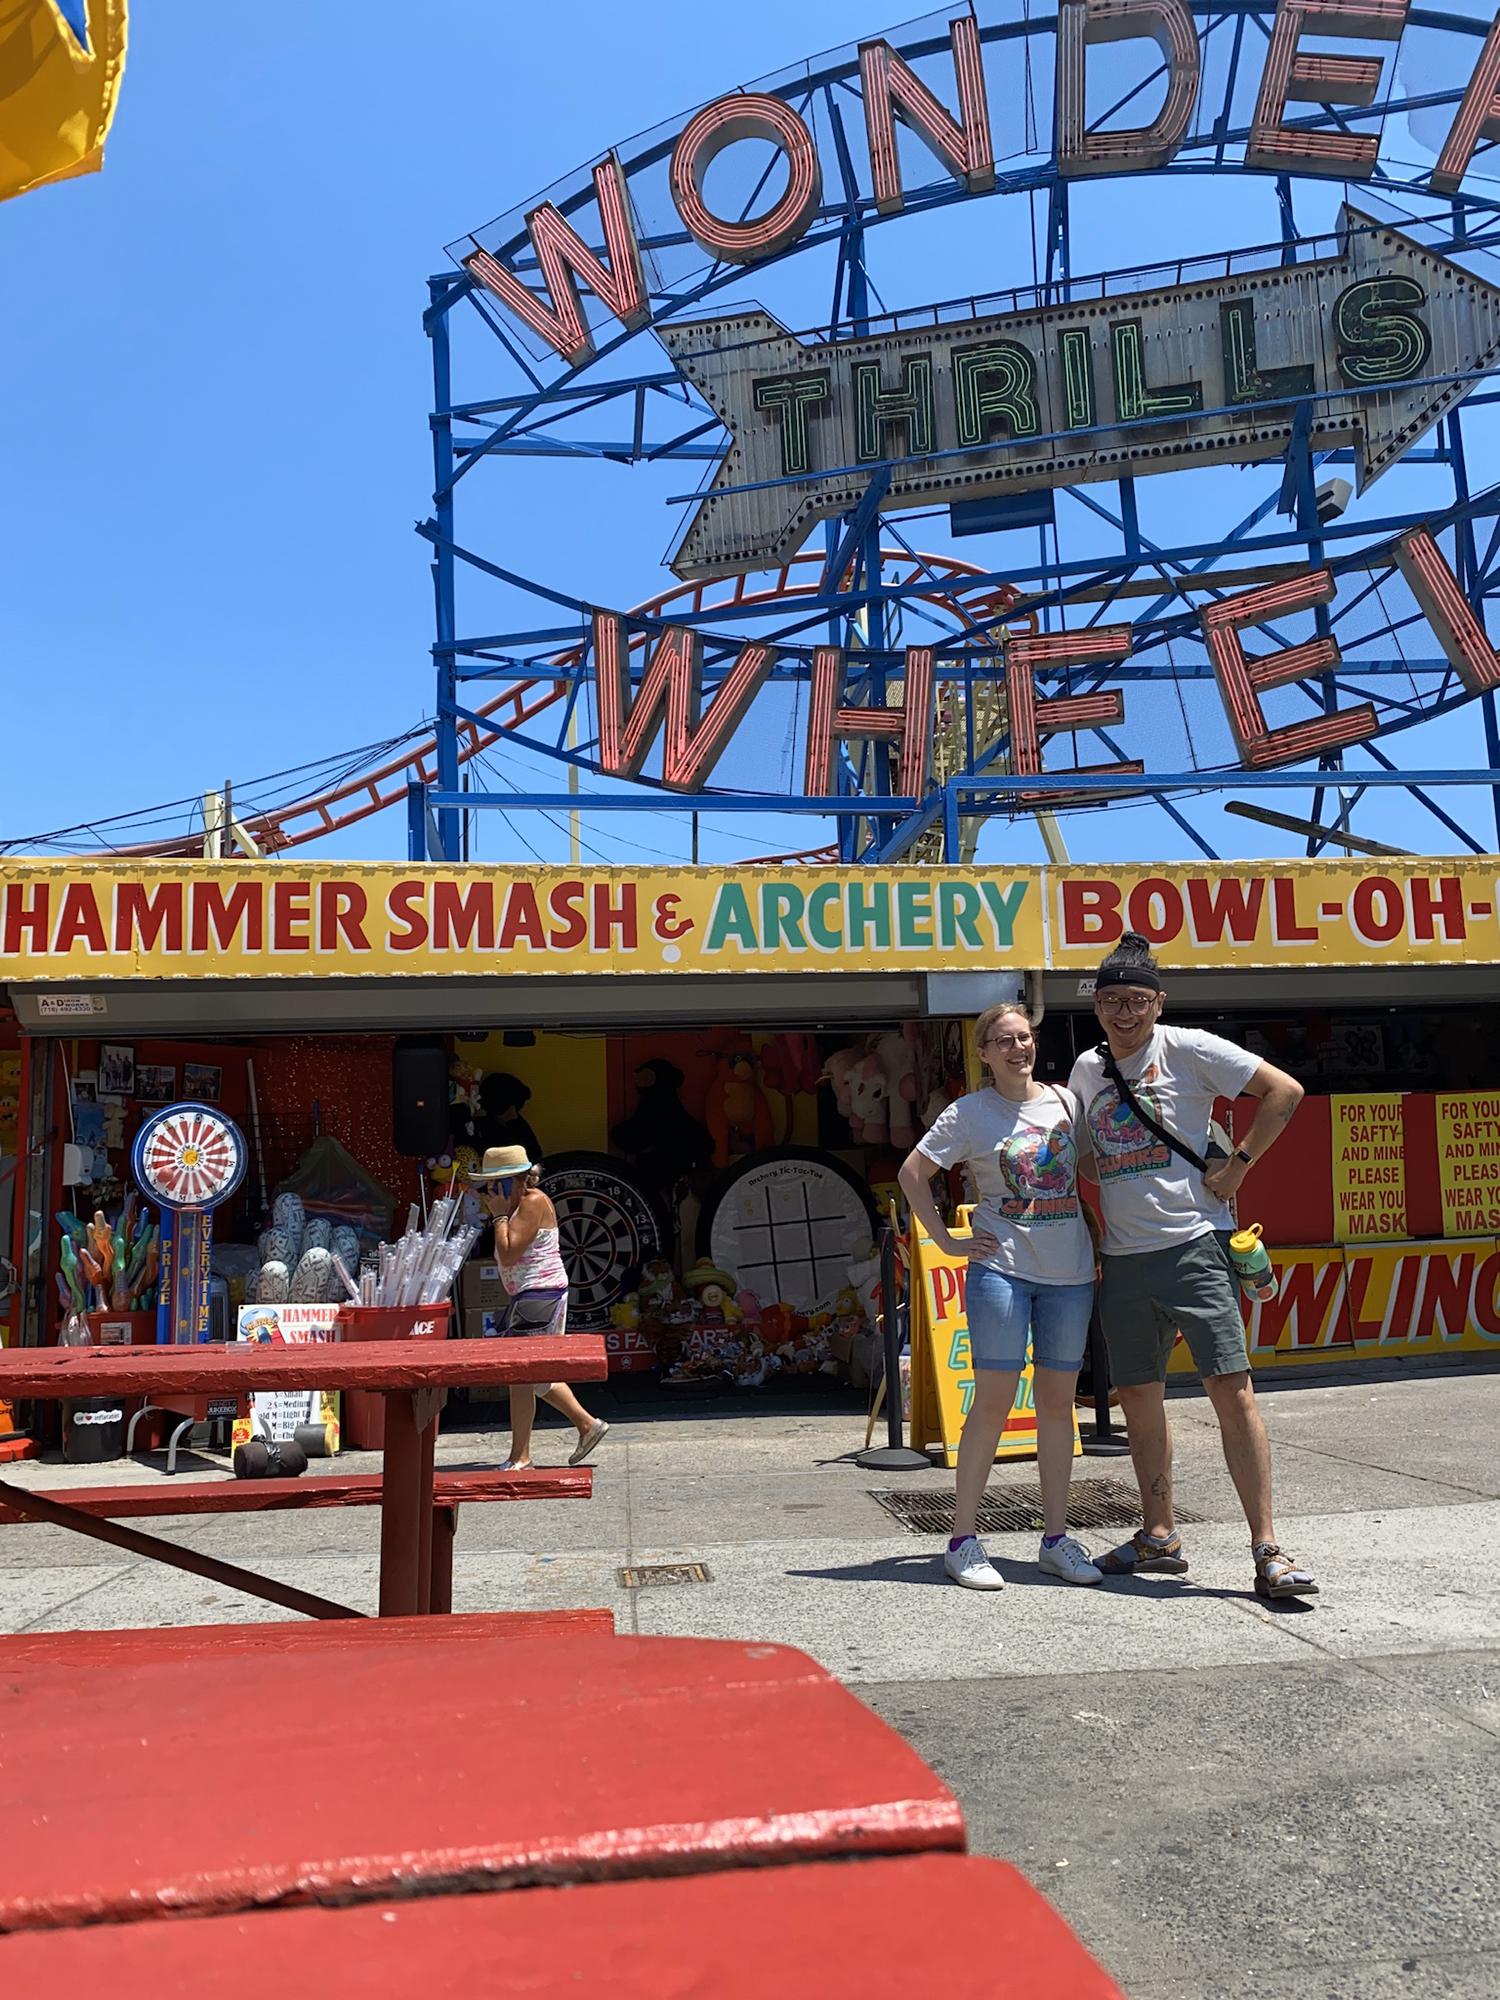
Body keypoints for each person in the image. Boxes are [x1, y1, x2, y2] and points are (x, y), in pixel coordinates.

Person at [1068, 932, 1317, 1599]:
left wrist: (1236, 1167)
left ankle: (1268, 1548)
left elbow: (1283, 1092)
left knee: (1231, 1394)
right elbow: (1088, 1156)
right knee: (1140, 1401)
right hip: (1123, 1260)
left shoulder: (1190, 1047)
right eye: (1112, 1000)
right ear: (1096, 1005)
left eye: (1136, 1000)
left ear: (1158, 1002)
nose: (1124, 1012)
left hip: (1195, 1247)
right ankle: (1158, 1533)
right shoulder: (1087, 1070)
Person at [898, 1002, 1103, 1591]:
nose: (1019, 1048)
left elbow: (1091, 1167)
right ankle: (963, 1539)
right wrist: (944, 1240)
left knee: (1059, 1406)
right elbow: (914, 1172)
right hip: (1002, 1271)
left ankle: (1056, 1539)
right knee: (992, 1401)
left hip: (1069, 1274)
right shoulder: (970, 1113)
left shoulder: (1066, 1102)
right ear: (984, 1053)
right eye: (1005, 1041)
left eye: (1026, 1038)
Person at [467, 1144, 609, 1471]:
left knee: (522, 1375)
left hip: (540, 1294)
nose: (489, 1193)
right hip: (533, 1295)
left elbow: (509, 1251)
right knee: (537, 1376)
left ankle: (521, 1456)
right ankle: (587, 1425)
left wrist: (500, 1214)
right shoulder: (519, 1206)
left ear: (514, 1181)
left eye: (494, 1186)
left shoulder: (532, 1203)